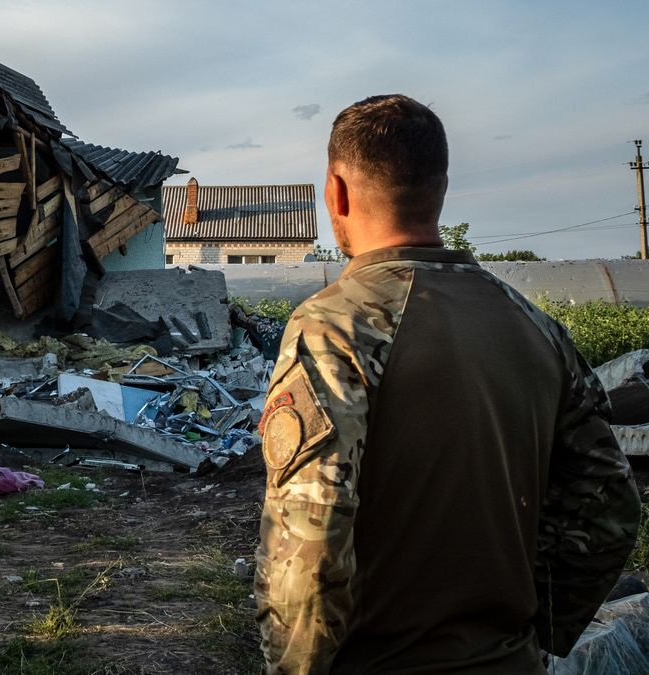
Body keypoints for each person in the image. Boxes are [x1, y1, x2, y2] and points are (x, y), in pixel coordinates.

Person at [253, 94, 641, 674]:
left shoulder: (336, 325)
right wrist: (539, 633)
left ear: (335, 190)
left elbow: (311, 533)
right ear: (441, 188)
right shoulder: (535, 327)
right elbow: (610, 505)